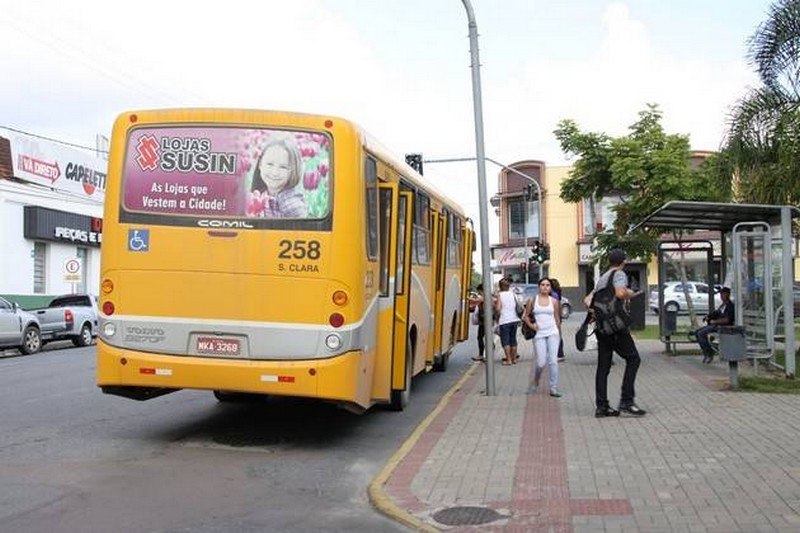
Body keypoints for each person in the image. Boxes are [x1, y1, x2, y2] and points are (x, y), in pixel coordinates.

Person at [583, 248, 646, 418]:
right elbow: (620, 292)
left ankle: (602, 406)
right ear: (623, 262)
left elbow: (588, 300)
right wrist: (631, 293)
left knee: (603, 367)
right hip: (616, 327)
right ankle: (627, 400)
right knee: (633, 359)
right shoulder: (619, 275)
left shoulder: (602, 278)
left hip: (602, 328)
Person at [248, 135, 307, 218]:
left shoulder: (292, 205)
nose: (275, 172)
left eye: (283, 167)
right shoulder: (260, 196)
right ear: (260, 164)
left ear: (293, 170)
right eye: (270, 164)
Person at [523, 277, 563, 397]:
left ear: (550, 288)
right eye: (543, 285)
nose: (545, 287)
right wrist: (532, 325)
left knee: (553, 361)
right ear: (539, 287)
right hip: (539, 334)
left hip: (552, 333)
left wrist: (559, 334)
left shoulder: (554, 301)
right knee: (540, 362)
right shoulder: (532, 300)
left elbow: (557, 318)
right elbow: (525, 316)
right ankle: (536, 381)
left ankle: (553, 388)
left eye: (547, 285)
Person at [694, 286, 735, 363]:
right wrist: (708, 316)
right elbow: (716, 313)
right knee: (697, 332)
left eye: (723, 294)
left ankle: (709, 353)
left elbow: (727, 320)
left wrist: (715, 322)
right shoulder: (722, 305)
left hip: (723, 327)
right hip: (715, 325)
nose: (721, 296)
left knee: (701, 333)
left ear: (727, 294)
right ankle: (706, 352)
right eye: (721, 294)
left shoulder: (730, 306)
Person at [495, 277, 520, 365]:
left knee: (505, 340)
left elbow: (498, 309)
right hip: (514, 319)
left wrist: (497, 316)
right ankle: (514, 359)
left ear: (500, 286)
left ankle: (509, 360)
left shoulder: (500, 295)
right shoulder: (513, 294)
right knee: (513, 339)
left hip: (504, 320)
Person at [550, 278, 566, 362]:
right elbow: (559, 304)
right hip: (557, 316)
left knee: (556, 335)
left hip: (553, 316)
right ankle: (560, 353)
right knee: (558, 334)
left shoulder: (553, 293)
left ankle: (558, 353)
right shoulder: (558, 291)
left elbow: (557, 305)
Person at [470, 284, 486, 362]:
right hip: (483, 321)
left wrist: (465, 297)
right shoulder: (487, 297)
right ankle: (484, 355)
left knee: (480, 338)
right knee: (482, 338)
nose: (478, 293)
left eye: (479, 291)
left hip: (484, 322)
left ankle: (482, 355)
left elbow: (475, 301)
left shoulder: (484, 297)